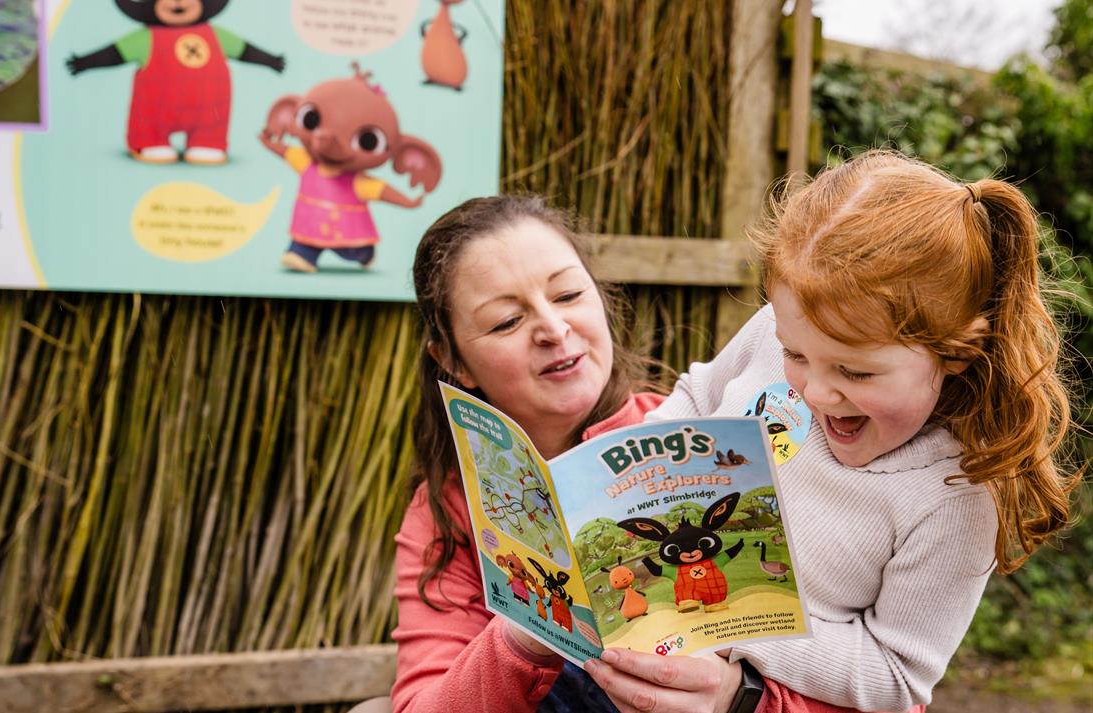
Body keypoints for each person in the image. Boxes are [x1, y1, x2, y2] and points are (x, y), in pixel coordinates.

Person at [584, 150, 1078, 712]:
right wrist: (612, 468)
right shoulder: (788, 329)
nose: (814, 392)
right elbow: (700, 396)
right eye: (796, 354)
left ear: (957, 352)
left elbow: (897, 676)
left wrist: (739, 621)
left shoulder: (956, 496)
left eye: (856, 371)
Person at [388, 195, 915, 713]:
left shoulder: (704, 444)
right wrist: (526, 631)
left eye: (568, 294)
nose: (553, 329)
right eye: (506, 321)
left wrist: (741, 700)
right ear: (453, 361)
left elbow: (888, 689)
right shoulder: (449, 513)